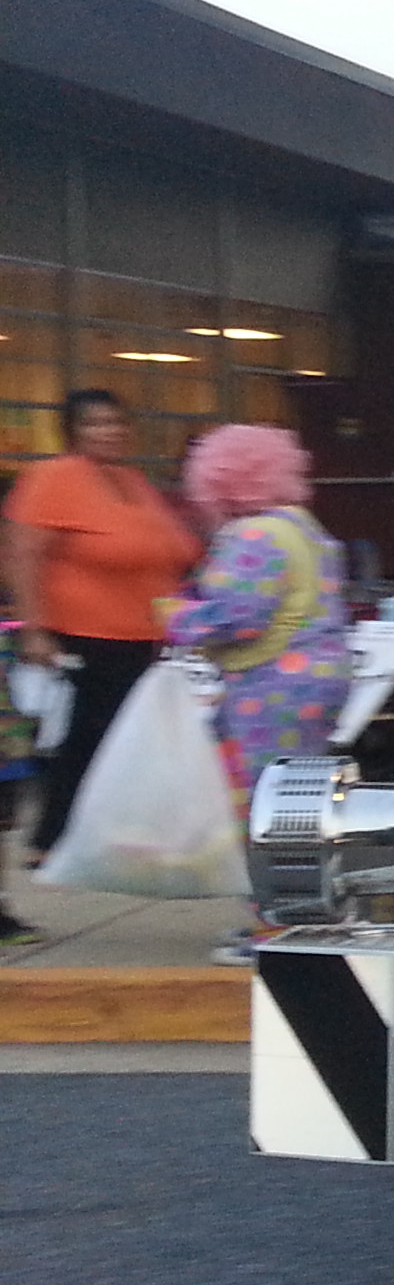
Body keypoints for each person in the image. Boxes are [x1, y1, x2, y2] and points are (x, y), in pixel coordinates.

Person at [3, 390, 201, 936]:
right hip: (85, 634)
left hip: (141, 636)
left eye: (116, 421)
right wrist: (34, 627)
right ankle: (50, 838)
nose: (108, 431)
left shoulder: (132, 481)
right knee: (89, 737)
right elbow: (23, 554)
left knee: (127, 741)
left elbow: (168, 549)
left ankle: (98, 834)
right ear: (72, 430)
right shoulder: (55, 478)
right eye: (94, 423)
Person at [164, 426, 350, 964]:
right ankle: (308, 909)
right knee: (299, 802)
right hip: (319, 675)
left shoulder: (252, 536)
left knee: (264, 808)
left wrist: (174, 617)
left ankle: (277, 923)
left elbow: (238, 617)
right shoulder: (305, 528)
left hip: (270, 687)